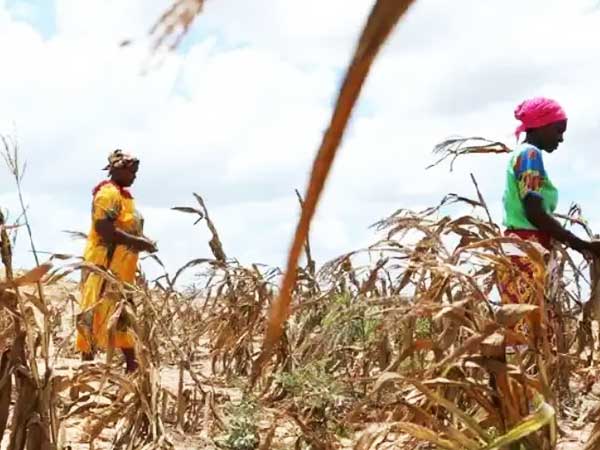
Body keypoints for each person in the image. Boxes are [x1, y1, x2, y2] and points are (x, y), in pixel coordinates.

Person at [500, 97, 600, 348]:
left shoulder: (524, 155)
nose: (561, 139)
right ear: (541, 126)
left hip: (525, 248)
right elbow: (534, 210)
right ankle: (524, 384)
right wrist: (581, 244)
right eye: (558, 131)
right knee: (529, 329)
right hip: (526, 250)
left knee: (530, 326)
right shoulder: (530, 155)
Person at [76, 150, 157, 372]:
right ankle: (89, 363)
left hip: (122, 268)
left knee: (122, 310)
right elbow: (105, 230)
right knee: (96, 309)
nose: (134, 176)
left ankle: (132, 365)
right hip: (104, 265)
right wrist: (139, 243)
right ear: (117, 169)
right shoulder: (107, 194)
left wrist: (143, 240)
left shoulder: (124, 197)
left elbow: (125, 227)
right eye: (131, 171)